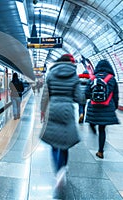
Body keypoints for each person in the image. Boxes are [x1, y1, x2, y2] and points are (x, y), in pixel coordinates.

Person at [40, 54, 81, 187]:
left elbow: (45, 94)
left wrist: (42, 111)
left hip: (52, 109)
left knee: (53, 142)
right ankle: (63, 167)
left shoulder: (51, 74)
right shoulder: (74, 76)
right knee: (65, 141)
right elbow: (79, 98)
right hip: (67, 110)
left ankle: (58, 171)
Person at [85, 60, 119, 159]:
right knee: (102, 129)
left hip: (94, 107)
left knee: (92, 122)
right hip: (107, 106)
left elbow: (87, 94)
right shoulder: (112, 79)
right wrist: (114, 107)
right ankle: (100, 151)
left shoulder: (92, 78)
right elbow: (115, 96)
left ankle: (92, 127)